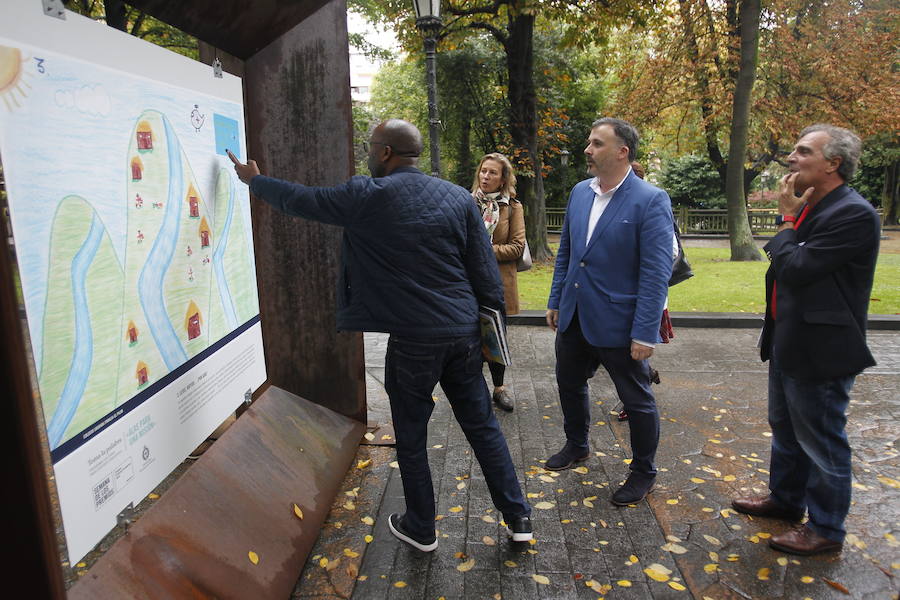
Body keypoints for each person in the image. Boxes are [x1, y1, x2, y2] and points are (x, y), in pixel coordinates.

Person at [227, 119, 532, 552]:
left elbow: (302, 201)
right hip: (462, 333)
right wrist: (488, 341)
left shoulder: (366, 196)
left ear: (385, 153)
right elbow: (485, 275)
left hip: (413, 340)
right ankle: (519, 517)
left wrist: (256, 181)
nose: (369, 154)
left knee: (411, 433)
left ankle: (421, 528)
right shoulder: (457, 198)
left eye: (372, 147)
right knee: (483, 427)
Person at [732, 124, 879, 556]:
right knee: (786, 429)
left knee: (821, 439)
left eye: (803, 151)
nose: (791, 159)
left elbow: (795, 267)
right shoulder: (814, 206)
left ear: (833, 163)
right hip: (789, 338)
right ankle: (786, 499)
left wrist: (787, 220)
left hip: (823, 348)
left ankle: (827, 529)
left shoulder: (852, 213)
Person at [545, 118, 673, 507]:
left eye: (597, 143)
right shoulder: (580, 193)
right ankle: (577, 444)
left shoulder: (650, 199)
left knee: (636, 399)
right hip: (575, 314)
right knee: (569, 383)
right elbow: (567, 251)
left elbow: (656, 272)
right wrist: (555, 298)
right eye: (589, 142)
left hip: (620, 322)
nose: (588, 149)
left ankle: (643, 472)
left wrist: (645, 331)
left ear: (622, 152)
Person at [471, 153, 525, 412]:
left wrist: (482, 249)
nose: (485, 176)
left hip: (497, 283)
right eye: (483, 171)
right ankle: (472, 389)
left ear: (503, 179)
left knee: (495, 337)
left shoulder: (512, 207)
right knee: (468, 338)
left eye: (492, 173)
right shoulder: (467, 203)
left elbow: (517, 247)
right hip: (467, 282)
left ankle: (499, 389)